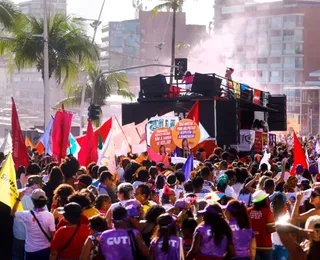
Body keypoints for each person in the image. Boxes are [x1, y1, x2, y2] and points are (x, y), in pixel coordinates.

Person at [11, 189, 55, 260]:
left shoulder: (26, 214)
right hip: (45, 249)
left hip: (30, 250)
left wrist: (19, 199)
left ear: (32, 200)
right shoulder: (50, 215)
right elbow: (53, 234)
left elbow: (13, 213)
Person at [247, 190, 275, 260]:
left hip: (252, 245)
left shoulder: (248, 211)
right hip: (266, 245)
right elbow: (270, 229)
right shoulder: (268, 212)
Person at [269, 192, 289, 260]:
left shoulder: (269, 215)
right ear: (284, 205)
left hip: (272, 244)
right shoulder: (287, 216)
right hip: (283, 245)